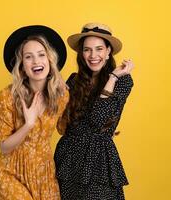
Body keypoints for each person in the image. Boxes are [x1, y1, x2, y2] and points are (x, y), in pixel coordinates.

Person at [54, 23, 134, 200]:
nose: (93, 55)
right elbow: (62, 126)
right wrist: (58, 94)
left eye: (99, 49)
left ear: (108, 52)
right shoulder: (74, 81)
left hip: (98, 161)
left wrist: (112, 78)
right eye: (87, 50)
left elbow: (98, 119)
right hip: (69, 158)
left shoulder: (122, 81)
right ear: (81, 54)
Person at [0, 25, 68, 200]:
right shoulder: (7, 97)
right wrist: (28, 124)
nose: (36, 61)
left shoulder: (61, 96)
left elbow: (65, 129)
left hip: (45, 173)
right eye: (29, 57)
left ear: (50, 60)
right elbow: (4, 147)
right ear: (22, 67)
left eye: (41, 55)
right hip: (11, 171)